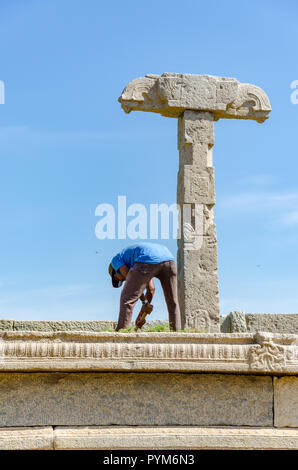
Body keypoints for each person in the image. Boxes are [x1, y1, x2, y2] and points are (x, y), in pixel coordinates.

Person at [108, 242, 181, 331]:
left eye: (118, 279)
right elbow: (151, 289)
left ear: (114, 271)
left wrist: (144, 303)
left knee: (127, 299)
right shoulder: (134, 261)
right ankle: (176, 333)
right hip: (169, 259)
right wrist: (142, 313)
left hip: (146, 259)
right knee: (172, 302)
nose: (123, 280)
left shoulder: (115, 260)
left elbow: (134, 286)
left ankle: (121, 335)